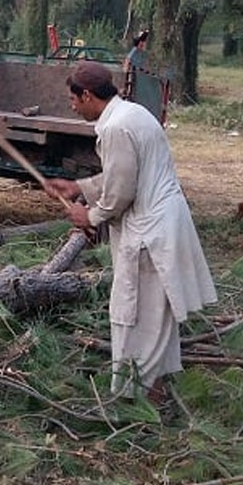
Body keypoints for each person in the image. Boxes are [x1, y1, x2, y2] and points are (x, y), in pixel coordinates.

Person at [43, 61, 215, 404]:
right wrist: (77, 186)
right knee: (153, 315)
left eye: (74, 100)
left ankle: (134, 399)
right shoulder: (132, 114)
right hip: (161, 223)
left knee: (134, 314)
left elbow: (121, 193)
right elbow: (124, 175)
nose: (73, 106)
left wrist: (88, 216)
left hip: (149, 232)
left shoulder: (116, 129)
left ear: (88, 95)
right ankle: (154, 394)